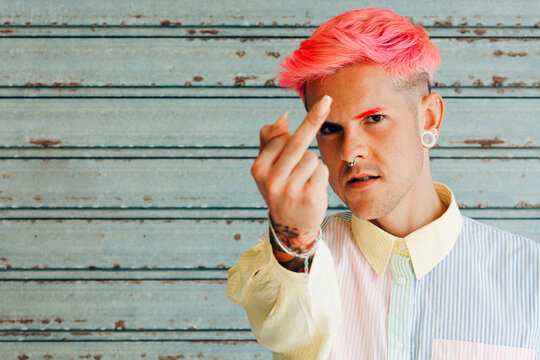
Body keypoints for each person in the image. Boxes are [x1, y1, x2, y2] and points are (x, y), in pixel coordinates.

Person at [227, 7, 539, 359]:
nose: (349, 152)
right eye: (330, 128)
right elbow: (284, 331)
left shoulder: (530, 276)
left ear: (430, 118)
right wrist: (293, 236)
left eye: (374, 118)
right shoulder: (301, 262)